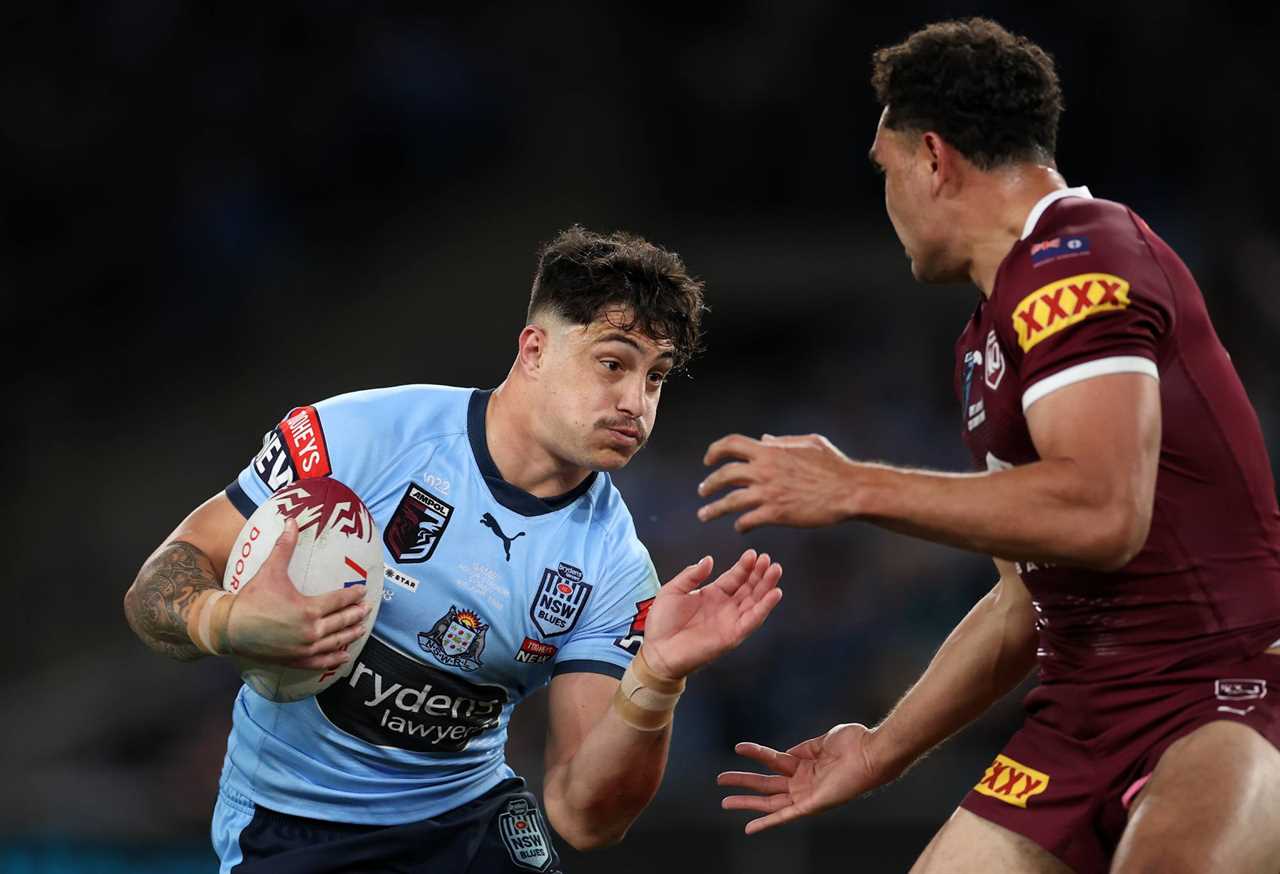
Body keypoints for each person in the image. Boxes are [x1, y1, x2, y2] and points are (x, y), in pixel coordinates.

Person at [700, 18, 1280, 874]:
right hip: (1077, 717)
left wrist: (855, 486)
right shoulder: (986, 338)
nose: (885, 193)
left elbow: (1104, 512)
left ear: (933, 159)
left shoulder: (1082, 254)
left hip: (1213, 692)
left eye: (884, 168)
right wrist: (882, 749)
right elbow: (1023, 601)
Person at [123, 225, 784, 873]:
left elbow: (587, 819)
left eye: (656, 378)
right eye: (612, 364)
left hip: (466, 828)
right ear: (533, 351)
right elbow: (155, 588)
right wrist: (227, 620)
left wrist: (659, 679)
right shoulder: (361, 439)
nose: (635, 403)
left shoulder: (615, 568)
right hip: (292, 827)